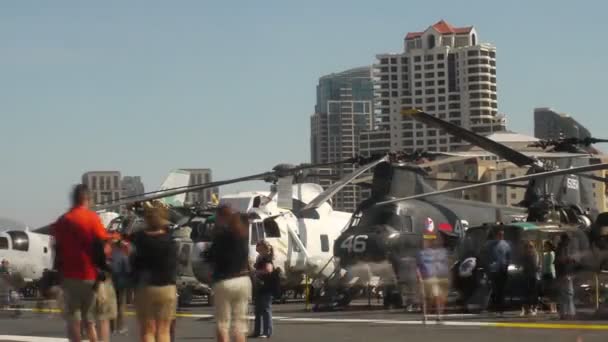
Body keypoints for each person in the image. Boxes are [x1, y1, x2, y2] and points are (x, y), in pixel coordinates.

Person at [52, 184, 109, 342]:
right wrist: (103, 269)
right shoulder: (92, 218)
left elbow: (57, 247)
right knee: (89, 320)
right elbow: (101, 243)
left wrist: (58, 273)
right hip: (90, 276)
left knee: (73, 321)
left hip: (69, 277)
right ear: (87, 198)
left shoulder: (63, 220)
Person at [131, 202, 178, 342]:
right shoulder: (170, 239)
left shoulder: (139, 239)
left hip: (146, 288)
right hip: (167, 288)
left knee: (147, 331)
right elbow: (174, 264)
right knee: (164, 330)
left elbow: (134, 263)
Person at [205, 206, 251, 342]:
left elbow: (210, 257)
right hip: (243, 280)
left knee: (223, 323)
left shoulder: (221, 237)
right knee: (239, 324)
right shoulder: (243, 235)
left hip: (224, 281)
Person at [416, 234, 450, 321]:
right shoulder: (420, 253)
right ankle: (425, 316)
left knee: (437, 296)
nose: (427, 243)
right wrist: (419, 277)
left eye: (429, 241)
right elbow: (418, 266)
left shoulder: (436, 253)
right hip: (425, 279)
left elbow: (441, 264)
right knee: (425, 298)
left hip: (434, 278)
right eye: (425, 241)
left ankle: (439, 316)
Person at [252, 240, 276, 338]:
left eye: (259, 246)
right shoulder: (259, 258)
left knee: (266, 309)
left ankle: (267, 332)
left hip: (266, 286)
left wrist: (257, 272)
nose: (257, 247)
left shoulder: (267, 258)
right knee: (258, 310)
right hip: (259, 286)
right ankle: (257, 331)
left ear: (264, 248)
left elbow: (268, 270)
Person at [109, 234, 131, 335]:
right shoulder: (124, 256)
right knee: (121, 306)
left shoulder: (110, 256)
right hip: (121, 284)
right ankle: (120, 327)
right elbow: (128, 270)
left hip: (111, 283)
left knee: (111, 305)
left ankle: (112, 328)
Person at [485, 229, 511, 315]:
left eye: (502, 234)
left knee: (501, 290)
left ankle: (500, 309)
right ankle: (495, 308)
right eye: (499, 234)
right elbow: (487, 255)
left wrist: (506, 265)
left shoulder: (506, 245)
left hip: (502, 270)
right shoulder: (490, 244)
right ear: (496, 235)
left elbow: (509, 256)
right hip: (494, 270)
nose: (501, 236)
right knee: (495, 289)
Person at [555, 233, 576, 320]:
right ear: (565, 240)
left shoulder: (561, 248)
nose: (569, 242)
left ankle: (565, 313)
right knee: (568, 294)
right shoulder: (562, 249)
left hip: (563, 274)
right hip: (565, 274)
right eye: (568, 240)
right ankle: (568, 313)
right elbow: (562, 261)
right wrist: (570, 260)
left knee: (565, 294)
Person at [520, 241, 539, 316]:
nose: (529, 248)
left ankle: (533, 308)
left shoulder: (535, 254)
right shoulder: (524, 255)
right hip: (526, 275)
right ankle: (526, 309)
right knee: (526, 293)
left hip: (533, 275)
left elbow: (536, 265)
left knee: (533, 292)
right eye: (527, 246)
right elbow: (522, 265)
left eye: (531, 246)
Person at [541, 240, 557, 314]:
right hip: (548, 273)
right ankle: (552, 308)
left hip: (549, 273)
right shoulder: (546, 254)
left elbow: (547, 265)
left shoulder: (550, 254)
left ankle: (553, 308)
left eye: (546, 245)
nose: (545, 247)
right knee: (549, 292)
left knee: (551, 291)